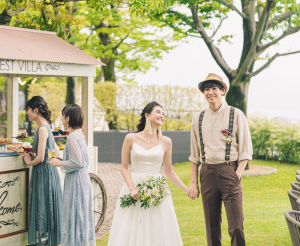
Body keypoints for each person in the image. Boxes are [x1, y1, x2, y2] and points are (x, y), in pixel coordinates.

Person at [108, 101, 188, 246]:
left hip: (158, 189)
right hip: (134, 186)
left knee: (157, 225)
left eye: (163, 113)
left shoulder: (166, 142)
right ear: (147, 115)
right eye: (158, 112)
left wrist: (187, 190)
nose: (162, 115)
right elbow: (124, 168)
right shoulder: (130, 138)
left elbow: (169, 172)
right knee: (130, 226)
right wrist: (132, 188)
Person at [188, 73, 253, 246]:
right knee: (211, 226)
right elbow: (194, 154)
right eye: (207, 89)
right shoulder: (198, 118)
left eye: (214, 88)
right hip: (207, 172)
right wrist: (194, 183)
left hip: (229, 171)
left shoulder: (236, 114)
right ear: (203, 93)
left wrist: (237, 173)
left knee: (236, 226)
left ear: (223, 91)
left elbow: (246, 149)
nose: (210, 92)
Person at [48, 104, 96, 246]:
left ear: (68, 118)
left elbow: (77, 162)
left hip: (76, 180)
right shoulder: (80, 134)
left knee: (74, 213)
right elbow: (80, 160)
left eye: (62, 116)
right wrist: (62, 160)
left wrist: (60, 164)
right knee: (80, 214)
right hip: (82, 178)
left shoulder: (71, 137)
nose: (61, 119)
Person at [23, 96, 62, 246]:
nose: (27, 112)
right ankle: (53, 242)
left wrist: (29, 161)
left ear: (36, 110)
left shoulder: (42, 129)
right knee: (48, 208)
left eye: (28, 109)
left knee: (44, 207)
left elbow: (39, 158)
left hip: (44, 174)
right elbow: (56, 152)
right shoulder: (47, 127)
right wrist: (44, 156)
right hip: (49, 173)